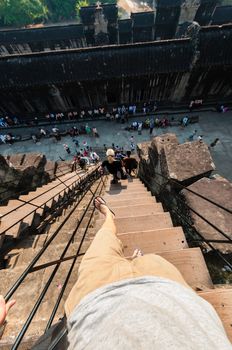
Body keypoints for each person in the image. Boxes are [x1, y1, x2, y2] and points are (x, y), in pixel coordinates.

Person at [65, 197, 231, 350]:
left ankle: (109, 215)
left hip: (96, 297)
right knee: (151, 260)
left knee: (105, 236)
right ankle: (138, 261)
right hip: (168, 291)